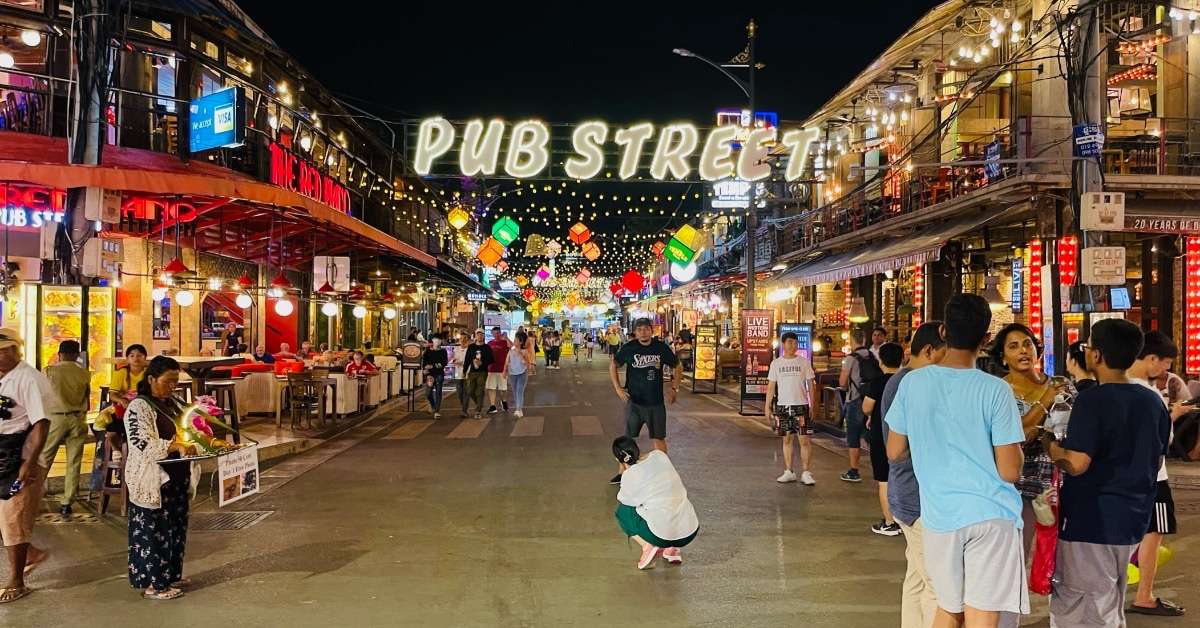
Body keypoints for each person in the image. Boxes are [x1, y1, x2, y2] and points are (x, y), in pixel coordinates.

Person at [886, 294, 1029, 627]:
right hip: (991, 516)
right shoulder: (996, 390)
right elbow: (1009, 471)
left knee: (948, 608)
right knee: (982, 612)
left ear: (944, 333)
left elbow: (894, 451)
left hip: (939, 517)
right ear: (987, 340)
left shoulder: (913, 384)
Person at [1040, 319, 1171, 627]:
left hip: (1092, 518)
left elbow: (1077, 462)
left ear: (1096, 355)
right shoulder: (1152, 401)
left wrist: (1052, 448)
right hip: (1133, 518)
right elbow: (1156, 458)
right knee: (1109, 600)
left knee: (1082, 606)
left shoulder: (1093, 400)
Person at [881, 321, 947, 628]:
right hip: (915, 494)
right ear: (930, 351)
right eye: (948, 355)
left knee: (918, 577)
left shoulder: (904, 381)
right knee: (936, 582)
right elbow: (897, 448)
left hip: (908, 493)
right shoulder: (909, 383)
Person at [989, 323, 1068, 553]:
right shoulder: (999, 392)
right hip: (1019, 487)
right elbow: (1015, 436)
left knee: (1058, 558)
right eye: (1014, 347)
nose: (1023, 350)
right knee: (1017, 555)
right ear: (1003, 358)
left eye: (1027, 344)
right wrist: (1045, 401)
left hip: (1059, 484)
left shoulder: (1060, 384)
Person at [1126, 331, 1188, 617]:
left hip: (1121, 478)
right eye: (1165, 363)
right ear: (1151, 358)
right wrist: (1172, 415)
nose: (1166, 370)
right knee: (1153, 533)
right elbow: (1164, 441)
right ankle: (1145, 595)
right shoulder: (1149, 394)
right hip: (1153, 479)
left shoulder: (1115, 385)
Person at [124, 356, 197, 600]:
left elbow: (186, 430)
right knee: (154, 532)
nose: (173, 387)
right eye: (168, 381)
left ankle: (171, 574)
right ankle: (155, 584)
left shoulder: (172, 403)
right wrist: (174, 445)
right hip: (154, 480)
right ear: (152, 379)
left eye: (176, 382)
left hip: (176, 477)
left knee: (175, 529)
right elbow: (142, 442)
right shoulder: (139, 407)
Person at [0, 328, 52, 603]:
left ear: (15, 351)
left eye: (4, 350)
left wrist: (28, 464)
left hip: (22, 452)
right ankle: (30, 553)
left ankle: (16, 580)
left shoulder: (29, 379)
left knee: (14, 516)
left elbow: (40, 423)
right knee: (4, 518)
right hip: (1, 451)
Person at [612, 436, 698, 570]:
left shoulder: (630, 475)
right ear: (637, 448)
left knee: (622, 512)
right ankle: (672, 550)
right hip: (690, 531)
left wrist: (625, 474)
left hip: (661, 536)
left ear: (618, 459)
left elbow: (624, 500)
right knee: (670, 501)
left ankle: (647, 547)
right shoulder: (659, 456)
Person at [609, 318, 679, 485]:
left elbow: (677, 365)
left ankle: (664, 472)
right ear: (635, 332)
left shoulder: (660, 348)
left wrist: (674, 387)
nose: (643, 332)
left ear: (651, 330)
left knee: (659, 438)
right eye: (639, 329)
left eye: (646, 329)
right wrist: (618, 388)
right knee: (628, 439)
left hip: (655, 402)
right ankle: (622, 472)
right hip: (634, 402)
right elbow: (613, 365)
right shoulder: (629, 348)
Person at [39, 340, 91, 516]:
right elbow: (88, 398)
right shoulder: (85, 374)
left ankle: (35, 495)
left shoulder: (49, 371)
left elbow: (40, 395)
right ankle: (67, 502)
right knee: (74, 461)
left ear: (59, 354)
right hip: (78, 418)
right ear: (77, 355)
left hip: (56, 419)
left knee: (44, 458)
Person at [766, 331, 817, 486]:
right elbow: (771, 387)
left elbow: (811, 385)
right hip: (783, 406)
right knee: (787, 439)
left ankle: (806, 472)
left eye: (795, 343)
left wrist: (812, 404)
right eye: (789, 342)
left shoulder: (804, 362)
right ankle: (789, 471)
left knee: (804, 439)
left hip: (801, 405)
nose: (793, 345)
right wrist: (767, 406)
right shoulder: (776, 364)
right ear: (783, 344)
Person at [864, 342, 903, 537]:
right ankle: (905, 519)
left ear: (881, 360)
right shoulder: (906, 381)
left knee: (884, 480)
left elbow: (866, 407)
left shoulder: (878, 382)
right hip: (905, 436)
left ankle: (889, 522)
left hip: (881, 435)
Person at [839, 328, 879, 482]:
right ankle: (878, 468)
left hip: (854, 400)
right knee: (870, 435)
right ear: (864, 339)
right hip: (871, 399)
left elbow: (842, 382)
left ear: (851, 340)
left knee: (853, 436)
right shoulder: (872, 356)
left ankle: (854, 471)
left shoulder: (850, 359)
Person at [463, 330, 493, 419]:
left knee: (480, 391)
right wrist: (464, 371)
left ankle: (478, 411)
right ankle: (479, 404)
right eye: (478, 334)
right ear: (475, 336)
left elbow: (491, 359)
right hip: (472, 372)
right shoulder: (471, 347)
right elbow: (467, 359)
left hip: (482, 372)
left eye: (481, 334)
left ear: (483, 336)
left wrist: (482, 363)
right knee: (470, 391)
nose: (479, 336)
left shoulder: (487, 347)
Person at [503, 331, 534, 417]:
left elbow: (528, 363)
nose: (514, 341)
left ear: (520, 342)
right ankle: (518, 407)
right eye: (514, 339)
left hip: (522, 373)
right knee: (514, 391)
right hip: (512, 374)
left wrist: (520, 354)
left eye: (516, 340)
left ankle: (519, 409)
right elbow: (506, 362)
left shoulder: (525, 352)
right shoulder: (511, 351)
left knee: (519, 391)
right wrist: (504, 372)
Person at [422, 335, 448, 419]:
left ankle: (437, 411)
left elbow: (444, 363)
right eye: (435, 339)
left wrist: (433, 366)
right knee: (428, 393)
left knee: (438, 392)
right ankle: (433, 406)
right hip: (430, 375)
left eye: (439, 340)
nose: (437, 341)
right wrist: (425, 368)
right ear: (432, 340)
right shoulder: (428, 351)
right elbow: (424, 363)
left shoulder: (443, 351)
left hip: (439, 374)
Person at [486, 327, 511, 414]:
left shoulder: (505, 342)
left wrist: (506, 337)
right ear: (492, 334)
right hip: (491, 369)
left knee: (503, 389)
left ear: (500, 333)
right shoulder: (489, 343)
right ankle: (493, 406)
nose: (496, 334)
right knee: (491, 388)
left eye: (498, 333)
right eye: (495, 333)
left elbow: (513, 347)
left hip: (502, 369)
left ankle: (504, 401)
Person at [452, 333, 470, 417]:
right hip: (458, 373)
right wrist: (454, 361)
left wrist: (462, 362)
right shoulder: (456, 349)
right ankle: (464, 406)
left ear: (467, 339)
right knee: (459, 393)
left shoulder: (470, 350)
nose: (462, 340)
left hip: (467, 373)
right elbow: (453, 358)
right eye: (461, 338)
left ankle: (464, 410)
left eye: (464, 338)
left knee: (466, 392)